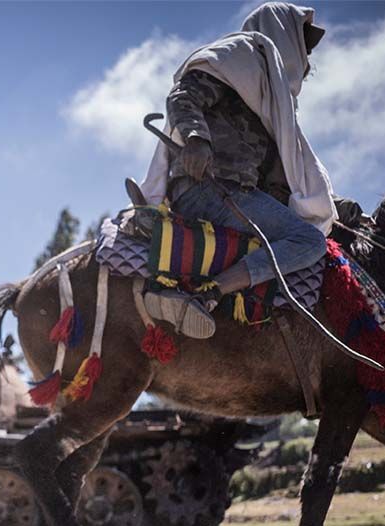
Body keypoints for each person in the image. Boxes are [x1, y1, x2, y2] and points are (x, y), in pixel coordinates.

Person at [138, 2, 334, 339]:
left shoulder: (268, 94)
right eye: (305, 45)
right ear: (283, 32)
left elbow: (286, 179)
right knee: (309, 241)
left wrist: (336, 207)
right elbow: (183, 96)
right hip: (213, 191)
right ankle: (210, 292)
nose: (307, 59)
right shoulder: (240, 56)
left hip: (234, 195)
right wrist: (197, 139)